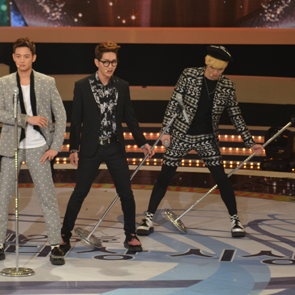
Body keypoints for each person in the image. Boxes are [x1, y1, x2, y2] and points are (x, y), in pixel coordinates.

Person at [136, 45, 264, 238]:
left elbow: (236, 115)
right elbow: (174, 102)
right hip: (181, 134)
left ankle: (235, 220)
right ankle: (148, 218)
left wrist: (250, 142)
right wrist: (166, 131)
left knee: (221, 178)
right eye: (212, 68)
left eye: (220, 69)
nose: (215, 72)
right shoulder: (189, 75)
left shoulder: (227, 86)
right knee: (164, 176)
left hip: (207, 138)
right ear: (207, 62)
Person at [60, 42, 154, 253]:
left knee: (126, 193)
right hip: (90, 148)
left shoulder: (122, 85)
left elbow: (130, 118)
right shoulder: (82, 86)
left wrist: (142, 142)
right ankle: (64, 234)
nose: (110, 66)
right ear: (97, 62)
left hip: (114, 148)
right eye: (106, 62)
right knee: (80, 192)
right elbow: (76, 121)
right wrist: (73, 149)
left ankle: (130, 235)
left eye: (114, 62)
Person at [0, 38, 67, 265]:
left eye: (26, 56)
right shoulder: (4, 82)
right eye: (18, 56)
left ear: (34, 58)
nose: (22, 60)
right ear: (13, 58)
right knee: (3, 197)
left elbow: (61, 114)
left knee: (47, 197)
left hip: (39, 147)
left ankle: (55, 245)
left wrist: (55, 146)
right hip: (11, 147)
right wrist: (26, 119)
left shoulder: (46, 82)